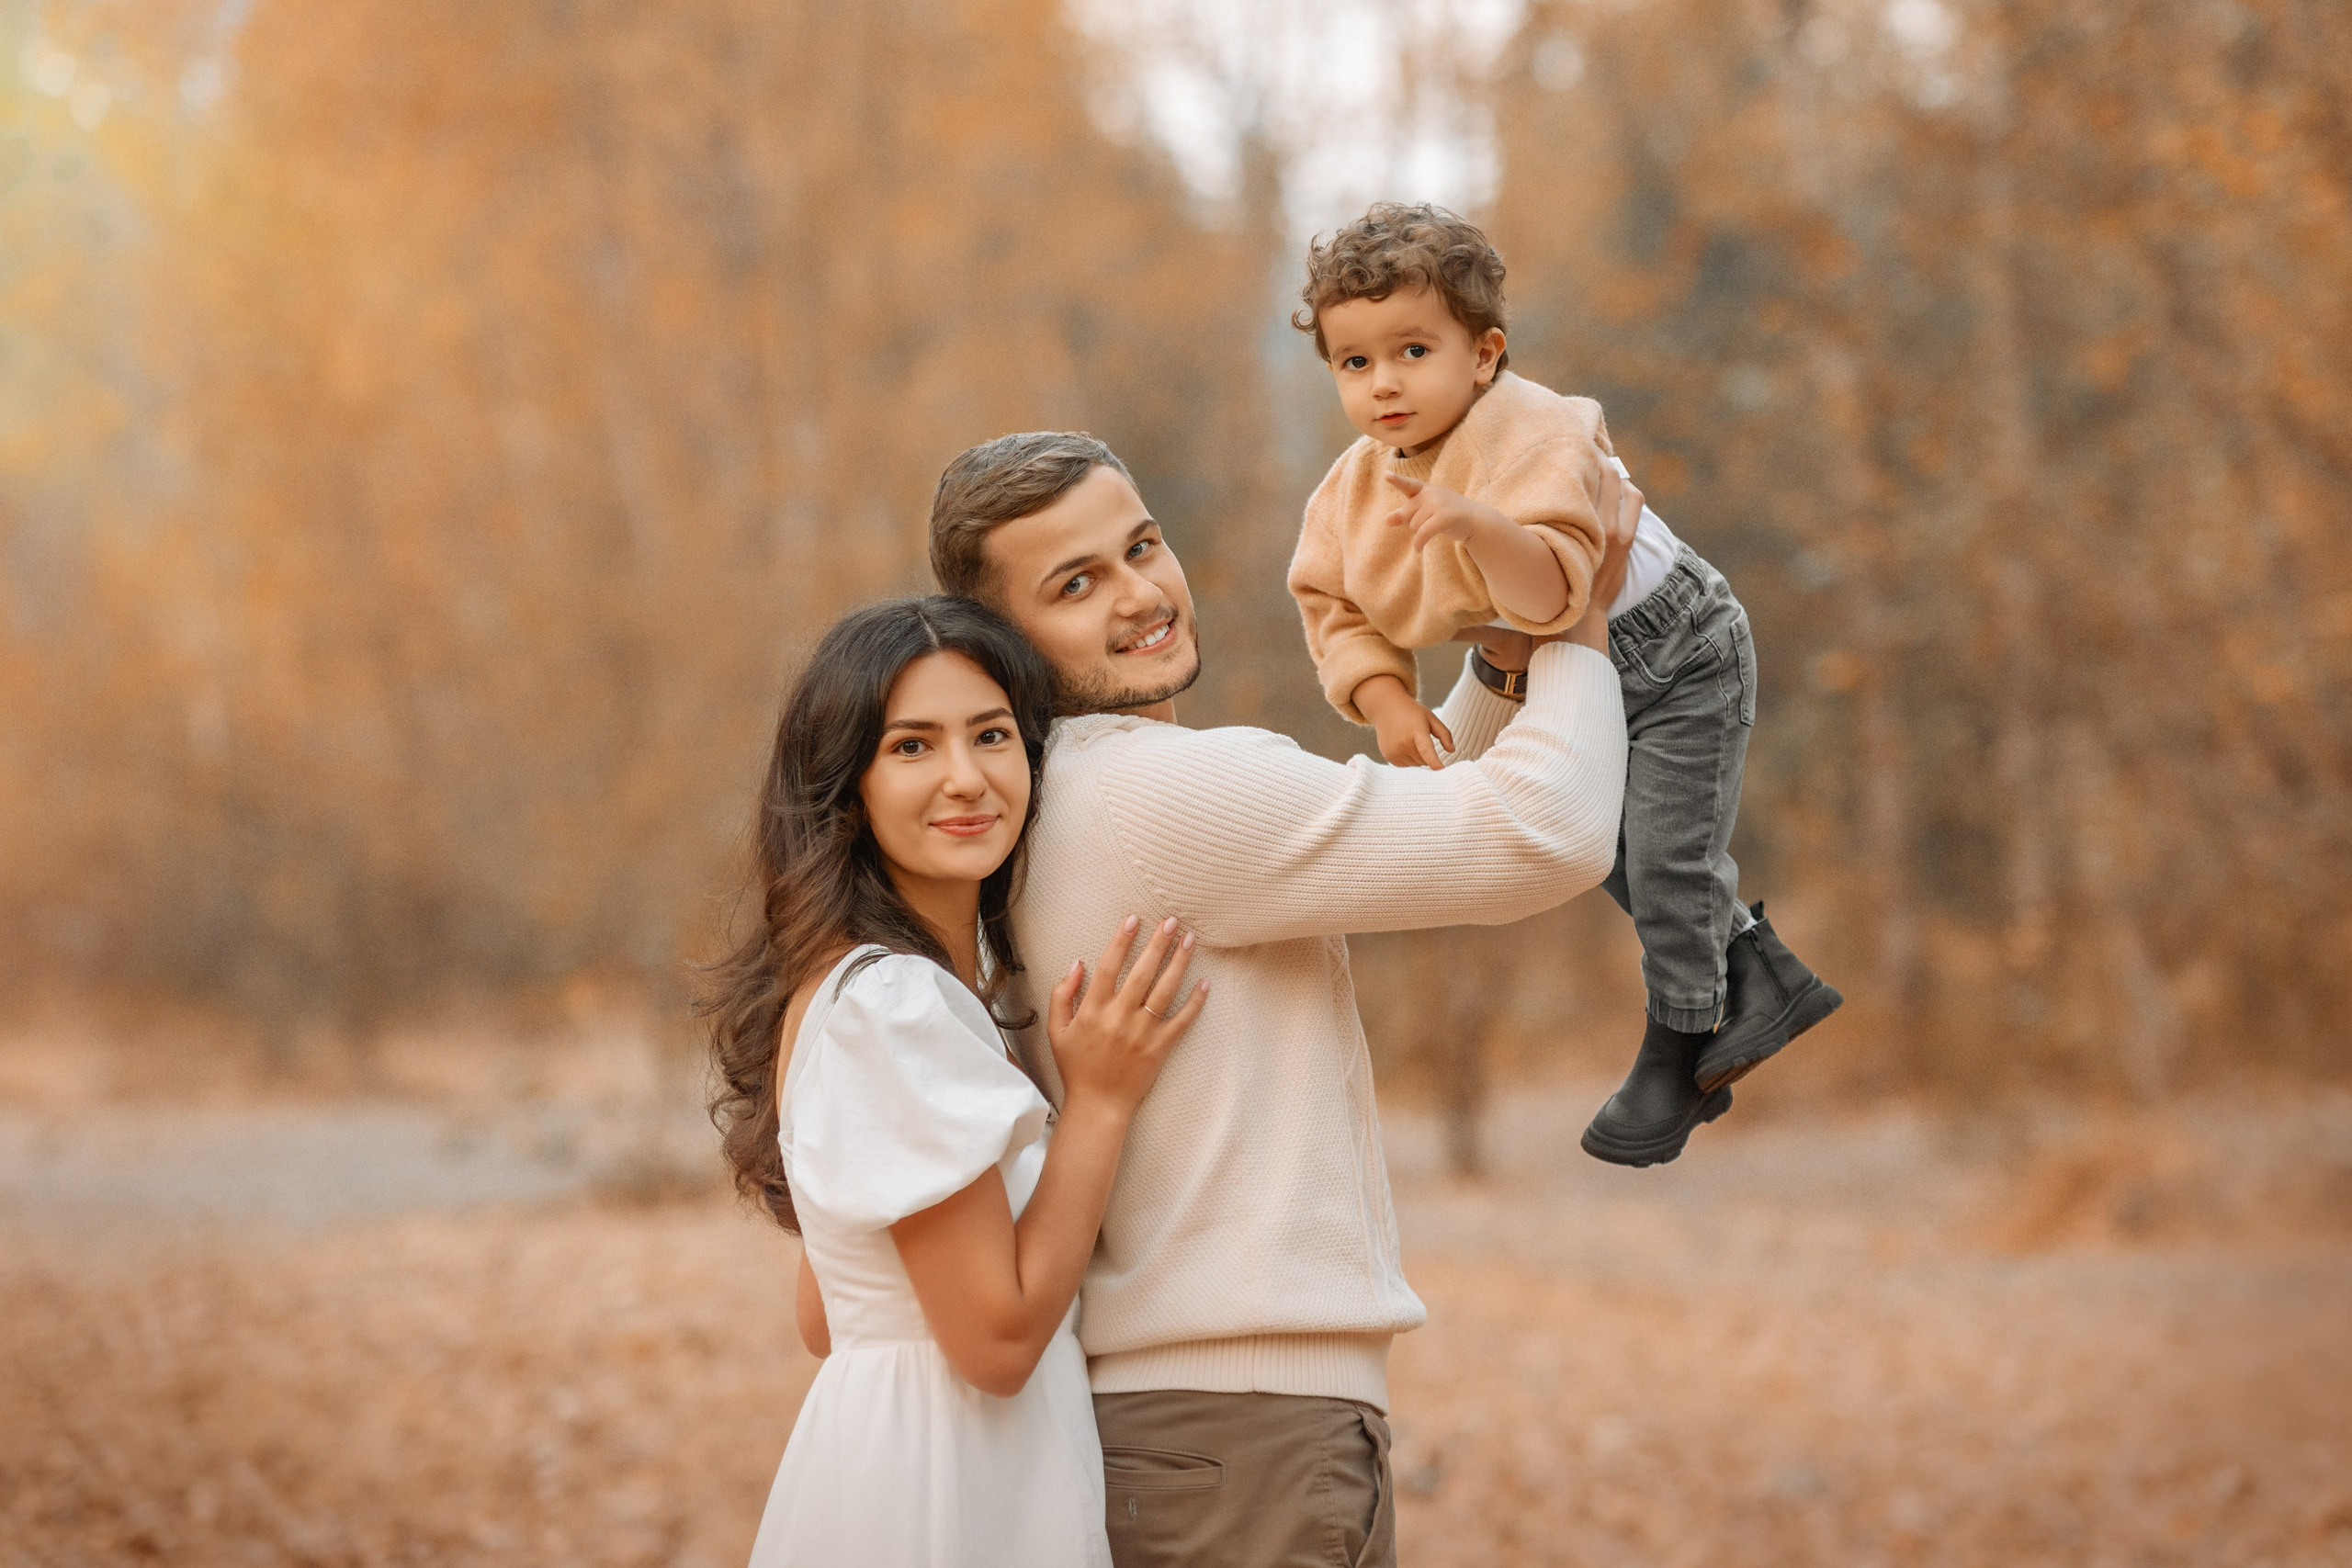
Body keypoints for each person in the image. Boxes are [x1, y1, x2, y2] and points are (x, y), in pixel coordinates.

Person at [924, 431, 1634, 1568]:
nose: (1141, 594)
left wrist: (1504, 662)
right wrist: (1582, 629)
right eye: (1077, 583)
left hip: (1205, 1425)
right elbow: (1543, 835)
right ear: (1001, 642)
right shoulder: (1156, 796)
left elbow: (1432, 820)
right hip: (1239, 1433)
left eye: (1141, 546)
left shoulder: (1058, 799)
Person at [1286, 201, 1842, 1168]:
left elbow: (1555, 591)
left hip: (1676, 652)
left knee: (1666, 865)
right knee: (1611, 853)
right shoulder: (1349, 492)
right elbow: (1330, 602)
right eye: (1355, 362)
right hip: (1568, 673)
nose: (1383, 384)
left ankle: (1680, 1044)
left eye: (1413, 351)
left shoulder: (1537, 431)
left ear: (1484, 353)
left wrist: (1474, 527)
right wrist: (1383, 697)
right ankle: (1760, 973)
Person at [701, 595, 1209, 1568]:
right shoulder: (893, 1005)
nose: (966, 779)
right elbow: (998, 1345)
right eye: (911, 747)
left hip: (886, 1460)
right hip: (944, 1493)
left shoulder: (858, 988)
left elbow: (827, 1315)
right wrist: (1099, 1103)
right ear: (844, 784)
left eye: (990, 735)